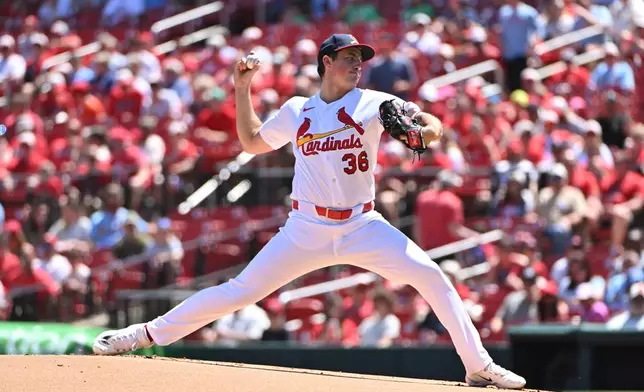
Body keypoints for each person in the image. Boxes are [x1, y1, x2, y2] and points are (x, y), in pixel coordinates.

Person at [92, 34, 526, 389]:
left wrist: (421, 132)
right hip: (305, 227)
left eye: (360, 57)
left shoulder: (375, 102)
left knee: (432, 276)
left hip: (362, 223)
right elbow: (252, 142)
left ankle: (477, 366)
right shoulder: (298, 109)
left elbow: (433, 125)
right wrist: (242, 90)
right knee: (239, 290)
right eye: (348, 56)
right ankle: (141, 335)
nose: (357, 63)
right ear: (325, 61)